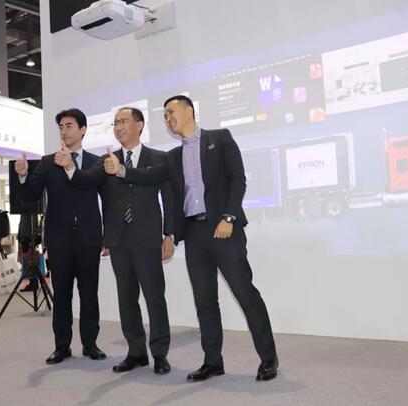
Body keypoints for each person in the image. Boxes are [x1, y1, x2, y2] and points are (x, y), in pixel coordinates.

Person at [104, 95, 279, 382]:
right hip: (195, 234)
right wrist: (122, 170)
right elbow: (149, 177)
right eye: (165, 115)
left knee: (245, 293)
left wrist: (229, 217)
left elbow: (238, 179)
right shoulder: (173, 156)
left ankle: (269, 359)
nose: (168, 118)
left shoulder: (219, 139)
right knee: (205, 301)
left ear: (189, 111)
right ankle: (213, 362)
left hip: (223, 228)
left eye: (171, 111)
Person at [57, 107, 174, 375]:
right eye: (115, 123)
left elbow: (169, 199)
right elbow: (86, 181)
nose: (118, 127)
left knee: (155, 298)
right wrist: (71, 167)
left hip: (148, 240)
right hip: (119, 241)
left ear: (139, 125)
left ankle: (160, 354)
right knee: (126, 298)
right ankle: (136, 352)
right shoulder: (106, 160)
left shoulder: (159, 158)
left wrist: (170, 234)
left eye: (123, 121)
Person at [14, 108, 106, 365]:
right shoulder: (47, 162)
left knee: (89, 294)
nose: (64, 131)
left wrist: (70, 168)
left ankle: (90, 344)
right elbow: (30, 196)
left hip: (88, 238)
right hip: (58, 239)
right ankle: (62, 346)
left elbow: (94, 188)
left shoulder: (96, 162)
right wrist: (23, 175)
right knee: (62, 295)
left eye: (69, 126)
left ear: (83, 129)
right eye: (61, 127)